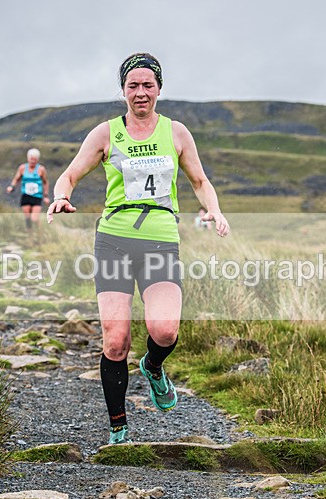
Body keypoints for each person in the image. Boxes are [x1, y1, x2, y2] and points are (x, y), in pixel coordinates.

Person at [47, 52, 230, 444]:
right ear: (124, 91)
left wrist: (213, 209)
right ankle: (118, 429)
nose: (141, 92)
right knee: (115, 340)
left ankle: (152, 366)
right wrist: (61, 195)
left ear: (159, 88)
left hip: (160, 239)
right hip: (114, 238)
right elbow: (70, 173)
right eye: (133, 85)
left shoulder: (177, 133)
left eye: (148, 85)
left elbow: (199, 181)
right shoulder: (105, 133)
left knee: (164, 331)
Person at [7, 148, 49, 229]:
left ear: (37, 159)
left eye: (35, 159)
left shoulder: (41, 169)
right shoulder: (22, 168)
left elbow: (45, 182)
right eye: (31, 159)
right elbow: (17, 178)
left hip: (37, 196)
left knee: (34, 219)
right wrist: (12, 187)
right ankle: (30, 235)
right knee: (28, 218)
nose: (33, 161)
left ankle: (38, 233)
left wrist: (46, 195)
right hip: (26, 195)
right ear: (28, 158)